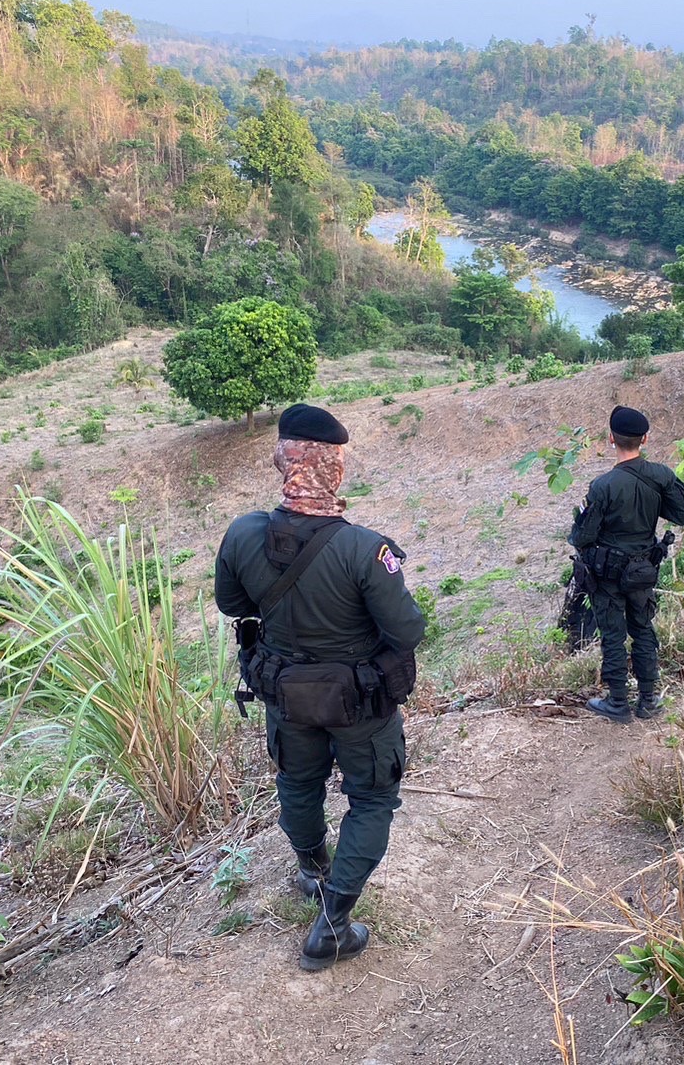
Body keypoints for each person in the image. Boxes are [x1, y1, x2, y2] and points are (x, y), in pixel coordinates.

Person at [215, 403, 425, 972]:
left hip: (286, 695)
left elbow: (233, 605)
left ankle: (313, 871)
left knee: (298, 781)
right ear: (335, 467)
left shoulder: (243, 533)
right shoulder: (364, 549)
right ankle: (332, 926)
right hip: (359, 702)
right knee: (372, 798)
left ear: (283, 461)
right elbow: (407, 630)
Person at [568, 406, 684, 723]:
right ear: (644, 439)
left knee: (613, 634)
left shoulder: (602, 486)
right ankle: (648, 699)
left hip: (607, 574)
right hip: (643, 571)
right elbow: (682, 514)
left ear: (611, 439)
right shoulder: (661, 475)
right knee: (643, 629)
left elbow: (582, 536)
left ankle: (618, 702)